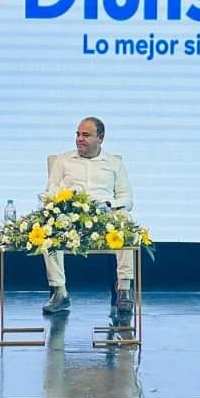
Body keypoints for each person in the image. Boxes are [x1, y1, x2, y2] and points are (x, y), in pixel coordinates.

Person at [42, 117, 134, 316]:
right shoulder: (63, 160)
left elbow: (127, 199)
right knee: (47, 228)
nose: (79, 139)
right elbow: (50, 193)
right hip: (71, 218)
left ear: (100, 138)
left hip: (105, 218)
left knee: (125, 220)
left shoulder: (114, 163)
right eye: (78, 134)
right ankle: (59, 292)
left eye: (85, 135)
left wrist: (109, 205)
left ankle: (124, 290)